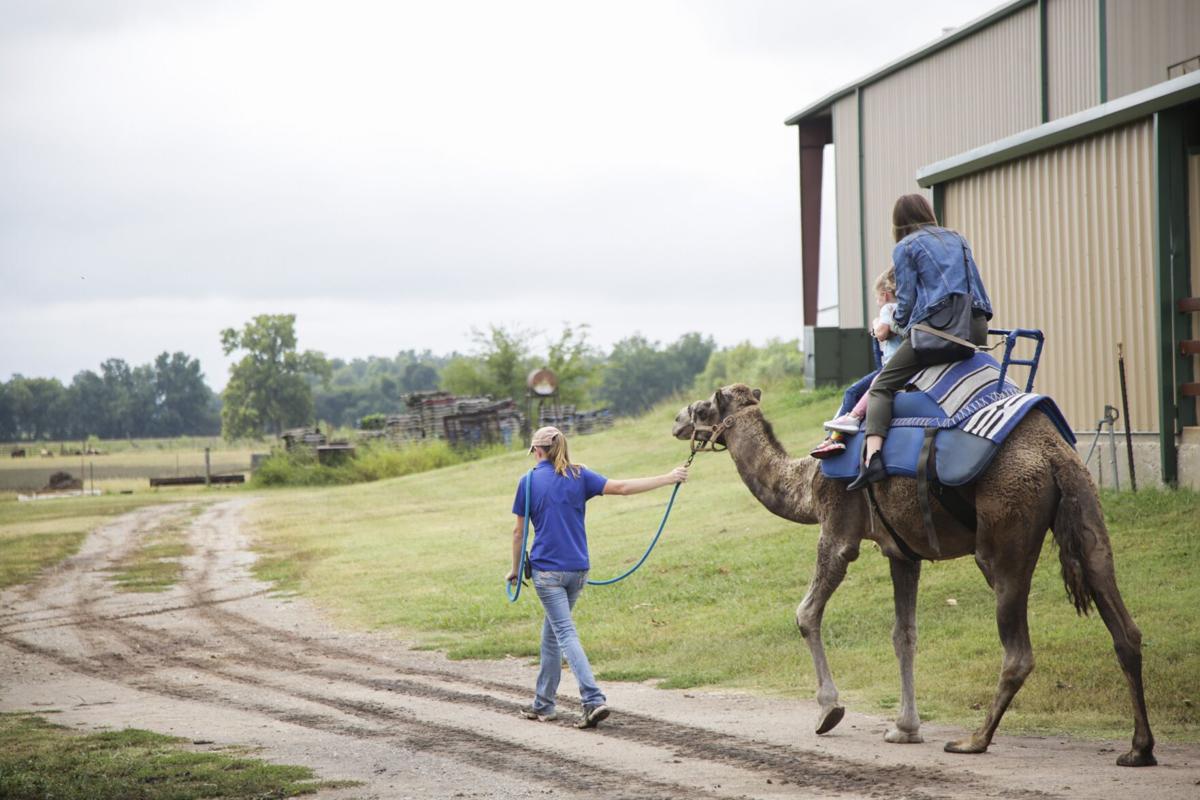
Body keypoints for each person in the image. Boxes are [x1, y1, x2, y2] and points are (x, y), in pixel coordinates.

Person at [507, 426, 688, 728]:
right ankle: (543, 704)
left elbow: (518, 532)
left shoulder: (527, 482)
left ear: (537, 451)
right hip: (578, 570)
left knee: (564, 633)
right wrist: (669, 477)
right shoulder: (580, 475)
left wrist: (514, 571)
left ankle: (593, 699)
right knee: (551, 635)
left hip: (547, 572)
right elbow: (623, 487)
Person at [846, 193, 993, 490]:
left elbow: (907, 303)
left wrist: (891, 326)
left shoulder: (905, 246)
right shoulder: (958, 238)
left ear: (899, 222)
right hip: (975, 329)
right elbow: (979, 292)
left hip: (939, 333)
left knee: (882, 386)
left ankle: (872, 459)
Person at [810, 268, 899, 459]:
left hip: (892, 366)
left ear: (885, 295)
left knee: (852, 391)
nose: (877, 303)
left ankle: (836, 436)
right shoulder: (906, 309)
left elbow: (882, 332)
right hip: (891, 363)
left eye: (877, 298)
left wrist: (875, 326)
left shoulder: (888, 309)